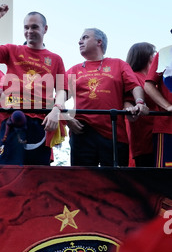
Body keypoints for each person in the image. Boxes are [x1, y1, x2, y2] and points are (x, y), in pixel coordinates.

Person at [0, 4, 68, 165]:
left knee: (37, 176)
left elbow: (62, 90)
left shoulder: (56, 59)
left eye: (34, 27)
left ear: (45, 29)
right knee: (8, 174)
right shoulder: (13, 50)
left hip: (41, 122)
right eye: (26, 27)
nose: (29, 31)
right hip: (13, 119)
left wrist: (57, 110)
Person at [66, 28, 148, 167]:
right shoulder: (73, 70)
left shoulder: (119, 64)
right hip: (82, 131)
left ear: (99, 42)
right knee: (82, 183)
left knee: (115, 184)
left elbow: (135, 86)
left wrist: (140, 102)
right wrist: (67, 119)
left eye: (85, 37)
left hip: (114, 133)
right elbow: (58, 99)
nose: (80, 41)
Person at [125, 42, 156, 167]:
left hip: (159, 135)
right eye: (154, 53)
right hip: (144, 139)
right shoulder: (134, 77)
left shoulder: (154, 79)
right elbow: (127, 102)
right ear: (148, 56)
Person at [144, 45, 172, 167]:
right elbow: (149, 85)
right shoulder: (165, 53)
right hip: (168, 127)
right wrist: (168, 106)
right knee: (165, 177)